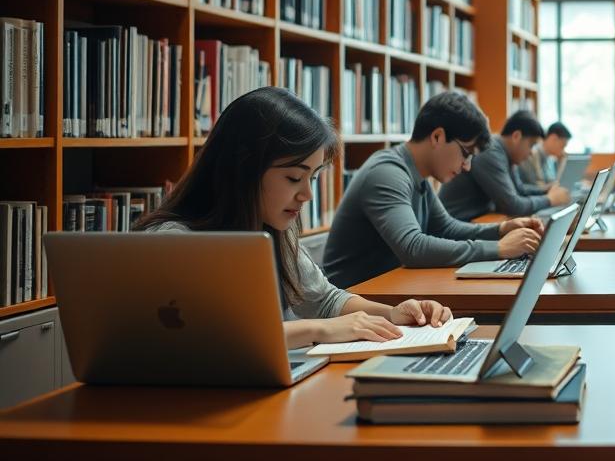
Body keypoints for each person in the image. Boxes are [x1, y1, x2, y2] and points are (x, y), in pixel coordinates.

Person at [133, 87, 452, 348]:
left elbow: (325, 301)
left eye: (311, 179)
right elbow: (209, 341)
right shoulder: (170, 242)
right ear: (244, 169)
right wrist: (319, 331)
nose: (307, 196)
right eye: (292, 178)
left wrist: (393, 315)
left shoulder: (272, 228)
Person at [323, 92, 544, 289]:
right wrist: (499, 248)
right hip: (353, 300)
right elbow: (413, 247)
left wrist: (502, 229)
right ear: (437, 136)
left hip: (387, 290)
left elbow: (446, 228)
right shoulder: (387, 173)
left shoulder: (415, 175)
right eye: (466, 153)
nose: (467, 166)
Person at [439, 110, 571, 221]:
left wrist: (547, 190)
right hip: (457, 225)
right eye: (531, 145)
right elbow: (512, 206)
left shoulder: (506, 154)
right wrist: (549, 199)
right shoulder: (490, 151)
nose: (531, 153)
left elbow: (520, 191)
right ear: (516, 136)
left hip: (479, 220)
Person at [518, 121, 571, 192]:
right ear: (553, 138)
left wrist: (562, 163)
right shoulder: (531, 154)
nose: (563, 151)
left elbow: (555, 184)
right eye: (562, 146)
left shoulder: (550, 159)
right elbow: (535, 186)